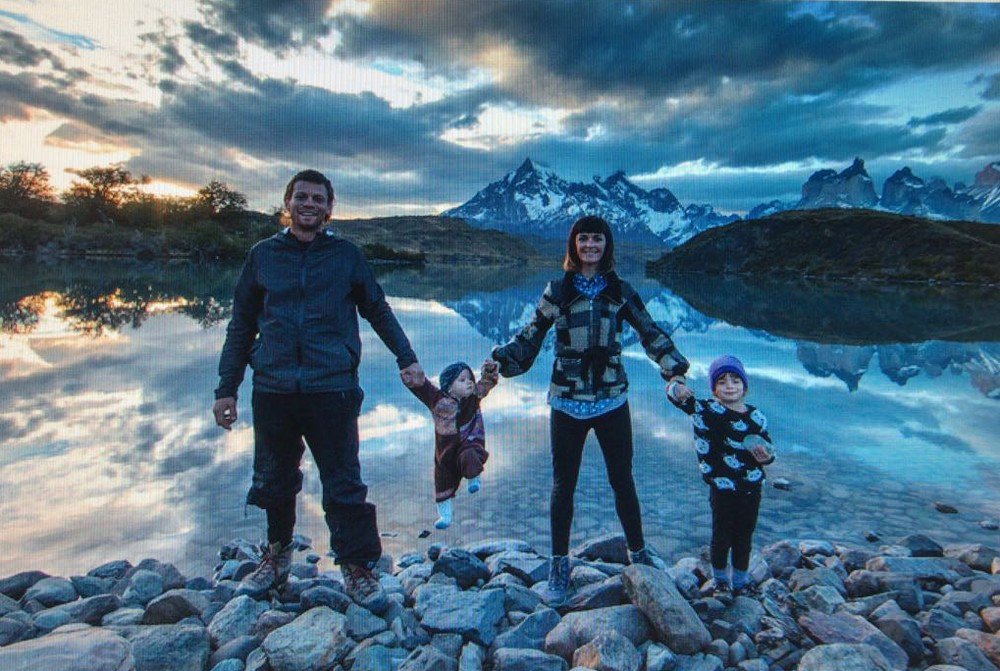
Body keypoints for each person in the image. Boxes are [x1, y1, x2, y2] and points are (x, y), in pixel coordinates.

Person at [212, 169, 424, 610]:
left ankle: (357, 567)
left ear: (329, 209)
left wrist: (406, 358)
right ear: (287, 203)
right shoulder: (262, 256)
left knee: (344, 481)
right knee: (274, 478)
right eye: (302, 197)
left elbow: (377, 310)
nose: (309, 204)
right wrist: (226, 388)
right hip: (273, 388)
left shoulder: (346, 256)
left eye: (318, 199)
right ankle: (277, 558)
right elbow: (241, 325)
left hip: (333, 388)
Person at [491, 215, 689, 605]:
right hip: (567, 398)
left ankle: (639, 554)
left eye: (597, 240)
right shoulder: (558, 291)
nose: (590, 246)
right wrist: (502, 360)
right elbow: (531, 335)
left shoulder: (620, 291)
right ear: (574, 245)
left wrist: (674, 370)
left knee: (623, 480)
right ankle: (559, 564)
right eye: (584, 240)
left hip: (612, 396)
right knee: (563, 485)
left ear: (606, 245)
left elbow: (650, 331)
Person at [667, 354, 775, 597]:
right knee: (721, 535)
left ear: (745, 386)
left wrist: (765, 458)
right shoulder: (705, 411)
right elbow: (673, 396)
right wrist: (677, 386)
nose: (729, 386)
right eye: (722, 381)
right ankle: (720, 580)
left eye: (735, 381)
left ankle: (740, 581)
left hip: (751, 487)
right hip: (721, 487)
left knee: (744, 536)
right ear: (714, 388)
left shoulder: (756, 416)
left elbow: (769, 450)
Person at [402, 360, 499, 529]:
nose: (469, 382)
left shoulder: (474, 395)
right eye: (462, 380)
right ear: (449, 387)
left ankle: (474, 478)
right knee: (443, 480)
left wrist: (490, 370)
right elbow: (422, 387)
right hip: (446, 449)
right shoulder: (438, 400)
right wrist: (409, 371)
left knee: (470, 454)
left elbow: (487, 383)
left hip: (469, 440)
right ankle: (445, 516)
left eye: (470, 378)